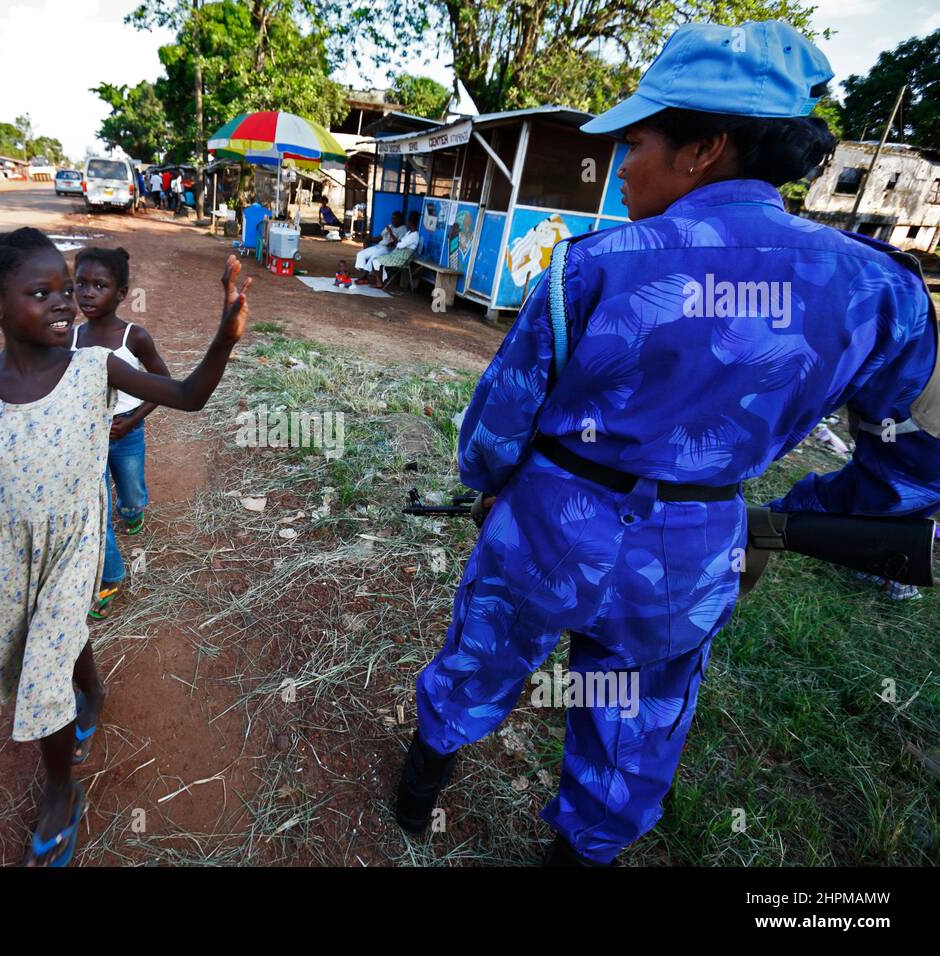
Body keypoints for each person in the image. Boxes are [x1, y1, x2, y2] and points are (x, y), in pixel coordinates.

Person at [394, 20, 940, 866]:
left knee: (484, 658)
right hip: (692, 551)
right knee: (630, 721)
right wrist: (800, 515)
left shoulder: (594, 266)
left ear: (706, 147)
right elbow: (917, 450)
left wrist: (492, 486)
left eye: (637, 142)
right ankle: (579, 851)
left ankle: (418, 791)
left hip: (547, 526)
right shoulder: (881, 288)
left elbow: (498, 424)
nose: (618, 166)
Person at [0, 228, 251, 866]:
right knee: (44, 638)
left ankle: (60, 792)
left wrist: (223, 338)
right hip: (14, 549)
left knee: (40, 676)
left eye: (68, 290)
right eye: (43, 293)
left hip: (78, 541)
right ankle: (91, 691)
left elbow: (188, 397)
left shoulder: (96, 367)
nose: (65, 303)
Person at [70, 247, 171, 619]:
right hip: (87, 438)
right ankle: (108, 576)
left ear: (122, 293)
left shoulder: (135, 337)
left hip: (127, 431)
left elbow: (163, 381)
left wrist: (133, 419)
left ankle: (132, 510)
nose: (88, 293)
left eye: (100, 285)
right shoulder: (71, 339)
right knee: (96, 511)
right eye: (81, 283)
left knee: (130, 492)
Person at [359, 211, 419, 286]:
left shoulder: (414, 235)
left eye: (409, 221)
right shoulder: (409, 233)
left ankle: (379, 282)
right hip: (396, 254)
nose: (407, 222)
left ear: (411, 222)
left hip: (400, 258)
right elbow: (400, 242)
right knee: (374, 259)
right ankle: (373, 279)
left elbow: (399, 245)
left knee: (375, 260)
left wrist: (391, 233)